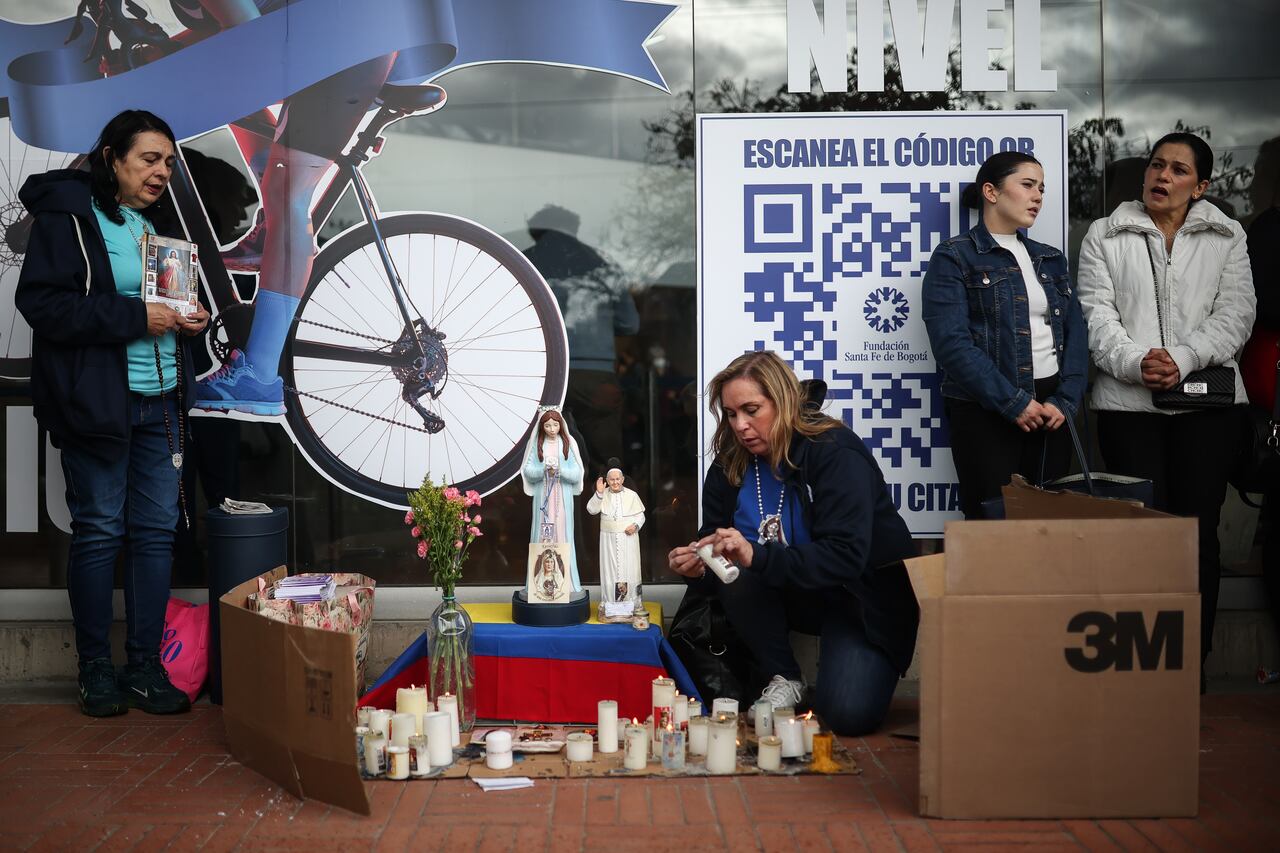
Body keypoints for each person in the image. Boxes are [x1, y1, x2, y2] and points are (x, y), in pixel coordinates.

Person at [15, 110, 210, 717]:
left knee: (154, 537)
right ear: (111, 158)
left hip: (160, 401)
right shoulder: (70, 218)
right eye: (150, 158)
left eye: (169, 163)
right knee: (100, 532)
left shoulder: (149, 227)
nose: (162, 172)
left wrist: (186, 320)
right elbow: (42, 306)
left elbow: (156, 309)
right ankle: (96, 670)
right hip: (97, 402)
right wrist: (135, 318)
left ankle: (145, 668)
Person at [665, 351, 918, 735]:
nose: (741, 425)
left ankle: (840, 672)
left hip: (858, 598)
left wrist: (757, 555)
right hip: (784, 592)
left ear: (783, 402)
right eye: (732, 414)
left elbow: (848, 557)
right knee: (734, 567)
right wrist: (698, 564)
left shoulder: (834, 452)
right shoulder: (730, 464)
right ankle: (784, 677)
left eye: (751, 410)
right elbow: (715, 540)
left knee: (849, 716)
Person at [1078, 131, 1256, 670]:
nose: (1163, 176)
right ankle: (1142, 664)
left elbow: (1237, 314)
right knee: (1141, 538)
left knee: (1197, 536)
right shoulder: (1104, 235)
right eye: (1158, 165)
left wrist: (1182, 357)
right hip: (1128, 410)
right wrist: (1137, 364)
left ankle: (1191, 664)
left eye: (1179, 170)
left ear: (1200, 186)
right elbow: (1095, 314)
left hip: (1207, 410)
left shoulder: (1228, 235)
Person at [922, 151, 1088, 519]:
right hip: (985, 410)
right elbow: (951, 344)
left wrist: (1066, 400)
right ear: (991, 192)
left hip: (1051, 412)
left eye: (1042, 189)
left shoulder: (1050, 258)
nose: (1038, 196)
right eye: (1027, 185)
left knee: (1049, 526)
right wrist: (1012, 403)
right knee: (992, 525)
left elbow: (1076, 334)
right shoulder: (954, 256)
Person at [521, 408, 584, 591]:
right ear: (542, 426)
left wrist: (561, 471)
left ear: (561, 425)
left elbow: (577, 473)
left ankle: (568, 585)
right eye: (547, 425)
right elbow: (528, 471)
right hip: (543, 502)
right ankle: (538, 586)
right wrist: (543, 471)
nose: (551, 429)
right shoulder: (536, 445)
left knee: (563, 535)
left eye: (555, 425)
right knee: (543, 536)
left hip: (562, 501)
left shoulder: (567, 444)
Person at [586, 464, 645, 620]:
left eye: (617, 479)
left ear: (623, 479)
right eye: (611, 480)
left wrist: (635, 525)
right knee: (610, 572)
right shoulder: (602, 494)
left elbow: (641, 516)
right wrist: (598, 493)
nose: (615, 482)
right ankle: (610, 606)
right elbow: (591, 509)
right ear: (607, 480)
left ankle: (632, 605)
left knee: (630, 571)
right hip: (609, 542)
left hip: (628, 541)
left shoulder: (632, 495)